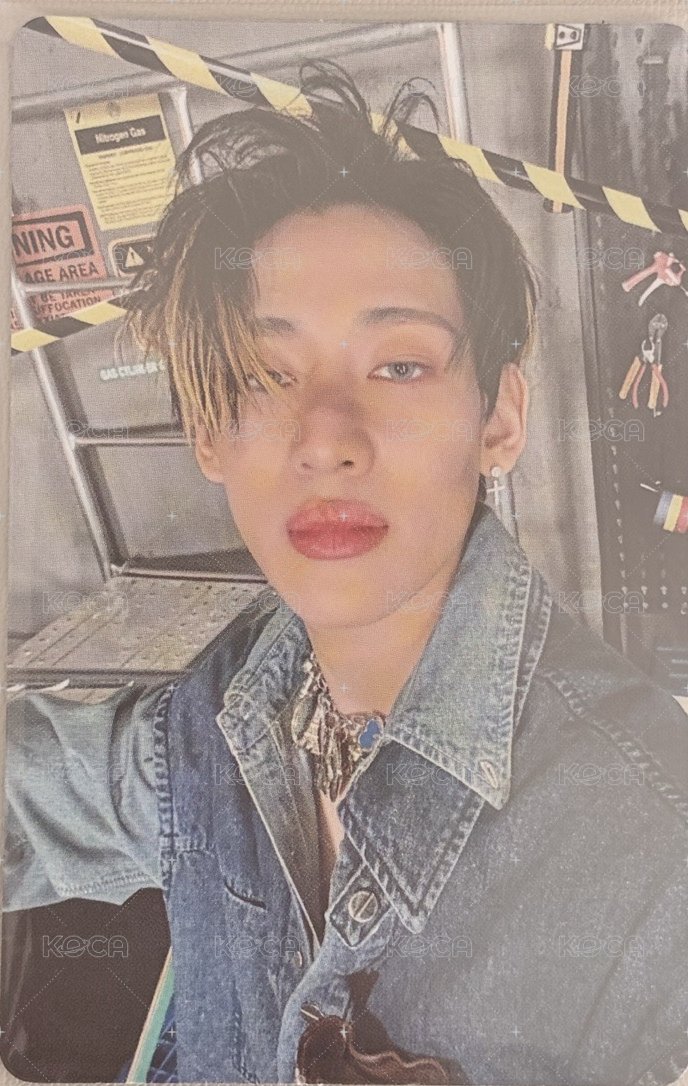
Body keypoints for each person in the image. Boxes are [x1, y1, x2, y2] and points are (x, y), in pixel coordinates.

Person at [3, 59, 688, 1086]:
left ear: (498, 419)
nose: (325, 437)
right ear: (208, 433)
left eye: (399, 365)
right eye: (265, 375)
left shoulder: (649, 848)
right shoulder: (210, 725)